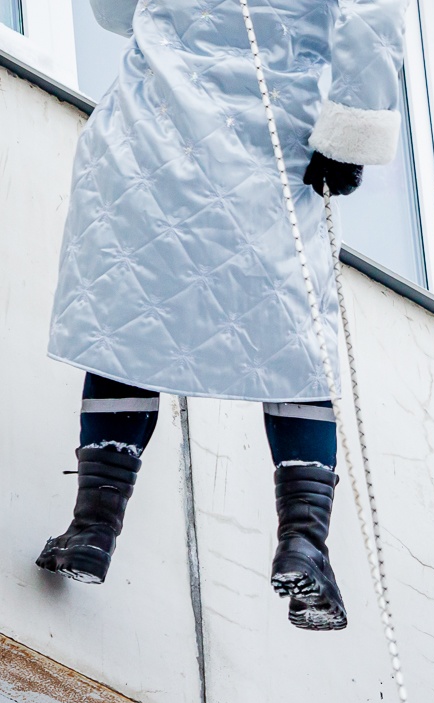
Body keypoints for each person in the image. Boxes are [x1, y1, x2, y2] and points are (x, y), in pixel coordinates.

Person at [37, 0, 410, 630]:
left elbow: (113, 10)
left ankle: (92, 529)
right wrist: (350, 137)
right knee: (300, 353)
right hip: (272, 146)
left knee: (130, 325)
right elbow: (373, 16)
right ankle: (304, 545)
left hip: (150, 133)